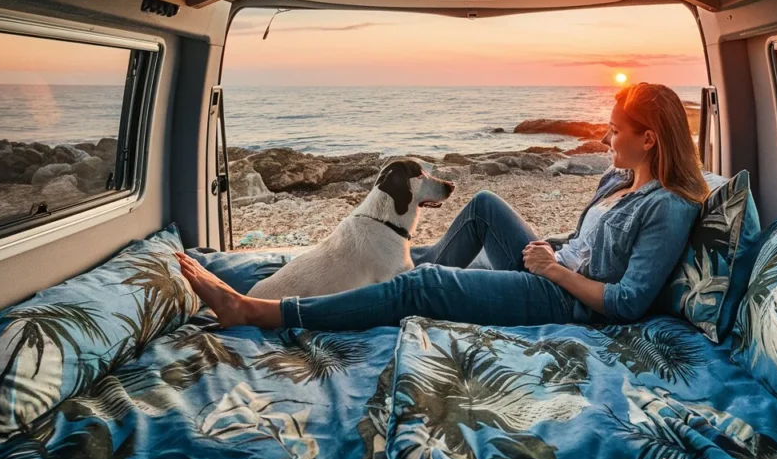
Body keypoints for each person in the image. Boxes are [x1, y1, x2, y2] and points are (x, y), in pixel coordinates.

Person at [178, 83, 708, 330]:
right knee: (480, 205)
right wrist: (553, 249)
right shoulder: (619, 180)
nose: (605, 138)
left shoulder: (669, 206)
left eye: (615, 131)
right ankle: (398, 266)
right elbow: (586, 242)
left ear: (652, 138)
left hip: (568, 301)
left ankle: (259, 309)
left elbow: (628, 302)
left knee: (418, 287)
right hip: (555, 267)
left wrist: (553, 271)